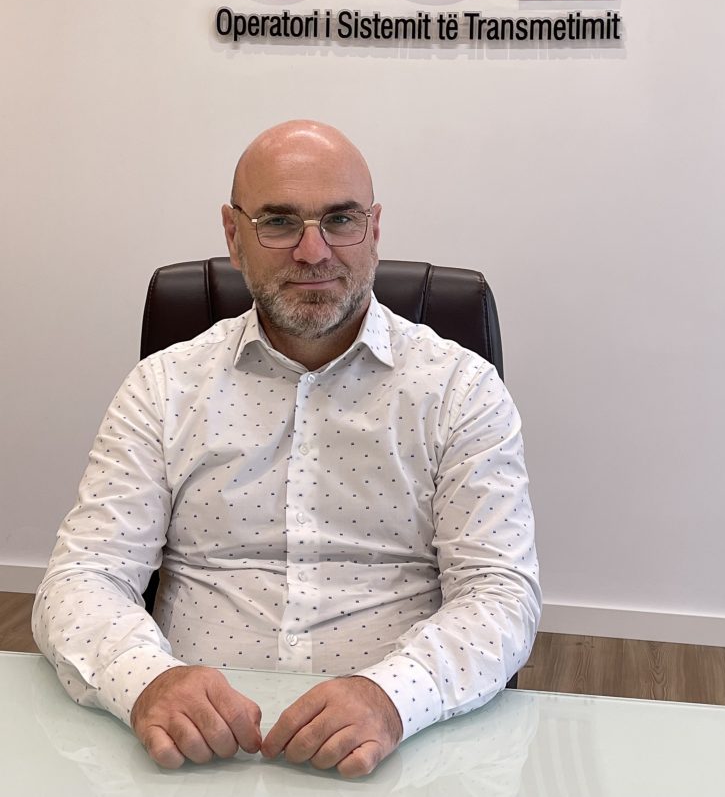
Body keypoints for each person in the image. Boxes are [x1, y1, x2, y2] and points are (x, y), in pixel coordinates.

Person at [33, 120, 540, 777]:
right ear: (232, 235)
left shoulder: (461, 390)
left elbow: (499, 593)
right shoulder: (163, 388)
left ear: (374, 230)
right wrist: (148, 681)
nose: (313, 251)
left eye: (341, 220)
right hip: (195, 753)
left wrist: (393, 698)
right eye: (278, 222)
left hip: (399, 750)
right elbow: (83, 577)